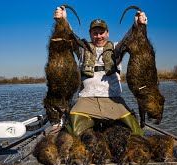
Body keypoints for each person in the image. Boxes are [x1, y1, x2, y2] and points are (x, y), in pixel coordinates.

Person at [53, 6, 147, 137]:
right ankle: (95, 122)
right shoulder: (82, 49)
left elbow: (129, 38)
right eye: (95, 33)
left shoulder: (116, 48)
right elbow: (70, 35)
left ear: (107, 33)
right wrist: (63, 20)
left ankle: (104, 122)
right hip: (87, 99)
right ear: (90, 34)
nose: (98, 36)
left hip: (113, 100)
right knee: (73, 132)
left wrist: (137, 24)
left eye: (101, 32)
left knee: (136, 132)